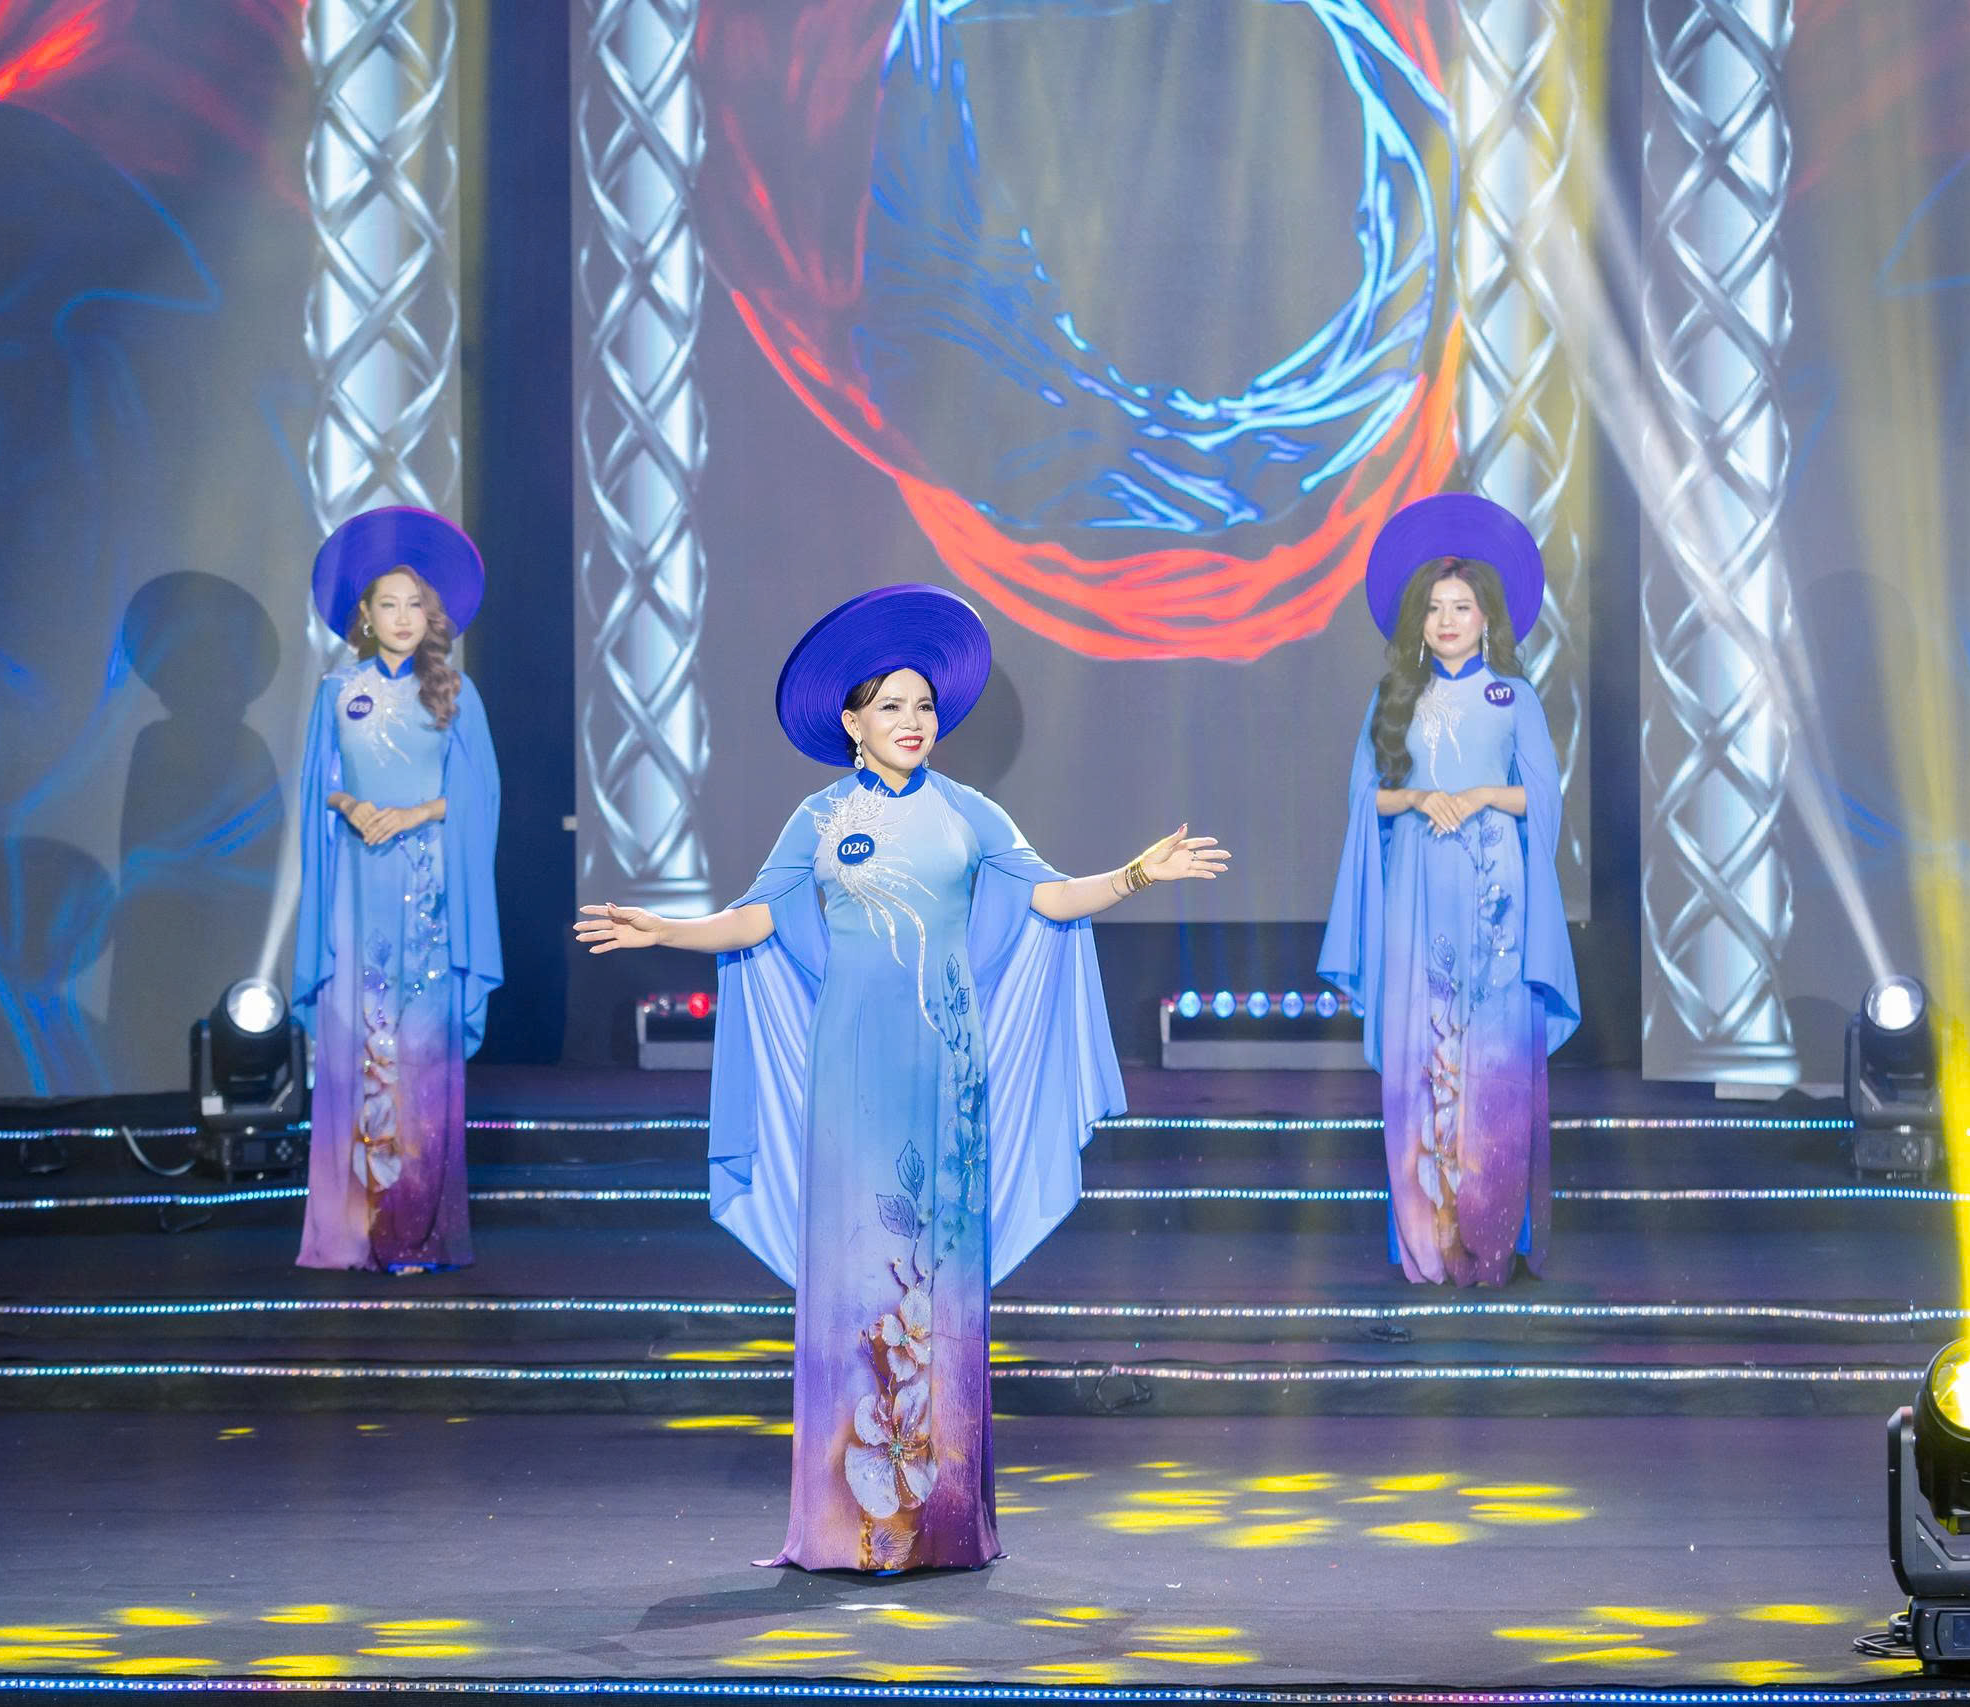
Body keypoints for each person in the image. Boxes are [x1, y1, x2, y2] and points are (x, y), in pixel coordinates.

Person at [576, 584, 1226, 1572]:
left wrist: (1137, 873)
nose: (912, 720)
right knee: (857, 1270)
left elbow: (1052, 897)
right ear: (852, 722)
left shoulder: (969, 813)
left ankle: (937, 1516)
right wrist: (664, 928)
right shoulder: (817, 818)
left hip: (945, 1065)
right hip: (851, 1069)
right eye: (891, 705)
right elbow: (755, 919)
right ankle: (848, 1522)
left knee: (935, 1274)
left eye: (923, 705)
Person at [1319, 493, 1580, 1286]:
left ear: (1488, 617)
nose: (1447, 620)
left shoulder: (1514, 697)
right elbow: (1365, 800)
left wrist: (1483, 796)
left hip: (1496, 892)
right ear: (1418, 620)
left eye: (1461, 606)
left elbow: (1544, 797)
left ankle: (1490, 1234)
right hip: (1418, 886)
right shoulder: (1394, 696)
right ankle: (1428, 1238)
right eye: (1434, 608)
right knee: (1424, 1049)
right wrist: (1420, 797)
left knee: (1492, 1057)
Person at [293, 508, 501, 1273]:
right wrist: (351, 805)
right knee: (360, 1040)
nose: (404, 617)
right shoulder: (336, 692)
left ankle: (414, 1232)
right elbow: (318, 786)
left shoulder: (456, 693)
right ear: (365, 615)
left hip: (430, 888)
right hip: (358, 886)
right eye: (389, 604)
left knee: (419, 1053)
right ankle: (352, 1230)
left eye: (416, 604)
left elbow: (480, 796)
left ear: (432, 615)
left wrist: (413, 814)